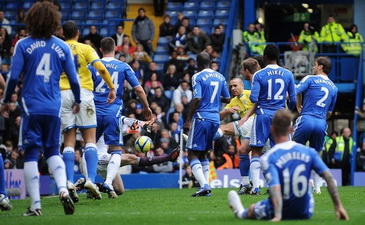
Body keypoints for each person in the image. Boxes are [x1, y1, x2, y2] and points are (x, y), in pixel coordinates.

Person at [0, 2, 80, 216]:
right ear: (55, 22)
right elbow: (74, 79)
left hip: (31, 106)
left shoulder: (24, 45)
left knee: (31, 153)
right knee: (54, 150)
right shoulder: (62, 46)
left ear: (32, 21)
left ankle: (35, 205)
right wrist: (78, 100)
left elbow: (13, 77)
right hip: (54, 107)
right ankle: (63, 190)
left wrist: (6, 101)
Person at [228, 110, 349, 221]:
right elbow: (329, 177)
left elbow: (275, 187)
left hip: (280, 208)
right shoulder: (309, 152)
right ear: (291, 130)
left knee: (251, 209)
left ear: (271, 130)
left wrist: (278, 215)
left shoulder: (269, 157)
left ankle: (240, 213)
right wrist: (338, 207)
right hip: (306, 211)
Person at [89, 37, 152, 195]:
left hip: (93, 112)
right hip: (113, 112)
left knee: (88, 147)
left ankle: (88, 181)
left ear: (100, 49)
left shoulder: (91, 66)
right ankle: (108, 183)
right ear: (115, 48)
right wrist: (146, 107)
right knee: (116, 150)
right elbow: (138, 89)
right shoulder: (123, 66)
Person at [61, 21, 116, 202]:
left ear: (63, 33)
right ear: (77, 33)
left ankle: (69, 181)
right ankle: (91, 180)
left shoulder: (57, 47)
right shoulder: (85, 48)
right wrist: (111, 87)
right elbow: (100, 67)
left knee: (68, 142)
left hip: (61, 94)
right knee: (90, 139)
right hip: (83, 93)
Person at [240, 44, 296, 195]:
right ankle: (281, 186)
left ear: (264, 57)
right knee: (282, 151)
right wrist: (287, 112)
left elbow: (253, 97)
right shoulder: (288, 74)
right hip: (280, 115)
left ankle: (256, 187)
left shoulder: (259, 75)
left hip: (263, 114)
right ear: (278, 57)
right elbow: (293, 100)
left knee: (256, 151)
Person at [183, 52, 230, 197]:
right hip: (215, 118)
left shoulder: (197, 76)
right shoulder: (220, 76)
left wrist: (189, 118)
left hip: (202, 117)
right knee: (203, 153)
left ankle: (203, 185)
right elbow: (227, 99)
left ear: (197, 63)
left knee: (191, 154)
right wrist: (214, 98)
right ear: (210, 62)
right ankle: (206, 186)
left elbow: (197, 98)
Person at [293, 56, 338, 194]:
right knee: (317, 156)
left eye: (315, 65)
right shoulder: (334, 88)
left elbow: (296, 90)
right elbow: (329, 112)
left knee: (295, 152)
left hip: (306, 119)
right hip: (321, 122)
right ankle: (317, 187)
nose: (313, 67)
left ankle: (299, 184)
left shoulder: (310, 79)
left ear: (320, 67)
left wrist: (298, 105)